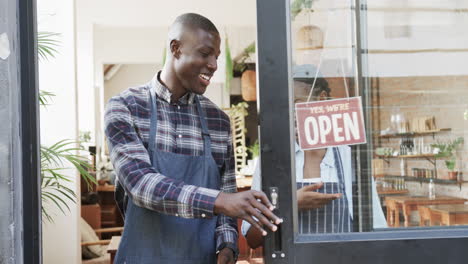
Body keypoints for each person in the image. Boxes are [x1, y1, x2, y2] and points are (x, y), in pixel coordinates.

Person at [104, 13, 281, 264]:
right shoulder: (126, 107)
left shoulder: (218, 121)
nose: (214, 64)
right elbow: (140, 185)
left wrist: (227, 245)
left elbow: (226, 192)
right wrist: (220, 201)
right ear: (175, 49)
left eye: (217, 57)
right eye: (205, 53)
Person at [242, 64, 387, 248]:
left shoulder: (350, 160)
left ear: (322, 99)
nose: (291, 113)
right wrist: (288, 207)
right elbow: (252, 240)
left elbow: (376, 233)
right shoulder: (271, 161)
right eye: (285, 105)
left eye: (297, 102)